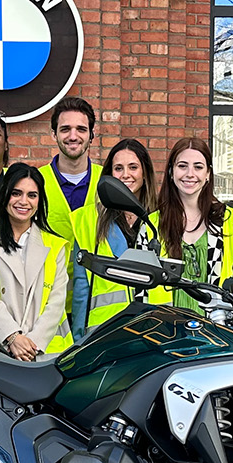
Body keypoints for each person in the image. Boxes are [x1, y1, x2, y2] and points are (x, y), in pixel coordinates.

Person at [0, 163, 72, 358]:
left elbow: (56, 304)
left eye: (32, 195)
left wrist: (31, 345)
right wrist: (12, 337)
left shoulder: (56, 245)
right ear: (5, 194)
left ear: (39, 200)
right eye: (16, 193)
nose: (23, 201)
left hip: (46, 351)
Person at [152, 137, 233, 313]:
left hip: (217, 333)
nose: (190, 174)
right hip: (165, 333)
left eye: (198, 167)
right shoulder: (152, 225)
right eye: (182, 166)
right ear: (171, 171)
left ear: (208, 174)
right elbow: (140, 291)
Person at [70, 138, 156, 340]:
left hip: (153, 331)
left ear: (145, 173)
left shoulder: (161, 218)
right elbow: (82, 288)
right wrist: (78, 339)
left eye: (133, 167)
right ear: (109, 175)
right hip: (104, 333)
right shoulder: (89, 219)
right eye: (118, 168)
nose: (126, 174)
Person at [38, 96, 101, 241]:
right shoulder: (37, 181)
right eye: (65, 129)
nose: (73, 136)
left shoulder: (107, 179)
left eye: (81, 129)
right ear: (54, 134)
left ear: (91, 135)